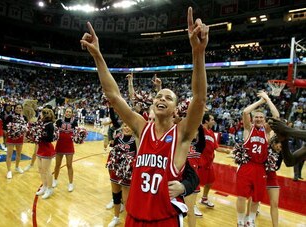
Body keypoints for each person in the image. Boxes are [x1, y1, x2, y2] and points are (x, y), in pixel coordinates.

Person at [81, 6, 208, 225]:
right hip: (134, 216)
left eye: (168, 98)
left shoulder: (182, 133)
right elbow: (113, 95)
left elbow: (199, 99)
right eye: (158, 96)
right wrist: (98, 56)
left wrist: (198, 52)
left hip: (164, 218)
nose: (161, 99)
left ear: (176, 109)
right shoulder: (141, 126)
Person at [236, 91, 279, 227]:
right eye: (257, 117)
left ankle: (251, 220)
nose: (259, 119)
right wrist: (261, 102)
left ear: (265, 120)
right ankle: (240, 221)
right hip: (247, 165)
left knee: (257, 197)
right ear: (253, 119)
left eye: (261, 117)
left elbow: (276, 116)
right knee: (242, 196)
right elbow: (245, 112)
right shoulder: (248, 129)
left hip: (261, 167)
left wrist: (268, 99)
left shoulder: (267, 132)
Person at [106, 122, 137, 227]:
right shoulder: (117, 137)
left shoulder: (136, 140)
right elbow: (112, 153)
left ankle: (127, 222)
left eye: (129, 126)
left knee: (126, 200)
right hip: (115, 172)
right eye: (125, 126)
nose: (126, 128)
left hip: (127, 174)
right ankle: (116, 218)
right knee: (115, 195)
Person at [198, 113, 231, 209]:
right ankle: (192, 204)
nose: (214, 121)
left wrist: (226, 151)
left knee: (210, 182)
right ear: (206, 121)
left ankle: (204, 198)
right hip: (200, 161)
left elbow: (216, 147)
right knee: (195, 184)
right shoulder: (200, 130)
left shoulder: (211, 133)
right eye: (212, 119)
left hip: (209, 162)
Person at [52, 107, 78, 192]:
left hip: (69, 145)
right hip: (60, 145)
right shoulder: (59, 121)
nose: (68, 113)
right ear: (64, 112)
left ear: (72, 113)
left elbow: (77, 133)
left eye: (70, 112)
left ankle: (71, 183)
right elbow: (54, 131)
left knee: (69, 165)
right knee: (57, 165)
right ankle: (55, 180)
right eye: (67, 111)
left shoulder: (74, 122)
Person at [35, 108, 56, 199]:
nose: (40, 115)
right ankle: (44, 186)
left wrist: (39, 136)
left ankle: (50, 188)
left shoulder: (50, 125)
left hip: (47, 149)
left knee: (46, 170)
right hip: (40, 148)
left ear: (44, 115)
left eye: (41, 114)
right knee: (40, 169)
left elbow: (50, 139)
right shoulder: (41, 124)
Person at [4, 104, 27, 179]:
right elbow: (4, 127)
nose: (18, 109)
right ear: (14, 109)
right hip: (11, 138)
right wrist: (8, 134)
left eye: (20, 108)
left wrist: (24, 137)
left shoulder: (24, 118)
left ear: (22, 109)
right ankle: (9, 171)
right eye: (17, 108)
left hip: (20, 138)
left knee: (19, 154)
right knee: (9, 155)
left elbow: (26, 128)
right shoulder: (10, 117)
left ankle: (17, 167)